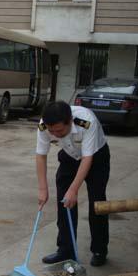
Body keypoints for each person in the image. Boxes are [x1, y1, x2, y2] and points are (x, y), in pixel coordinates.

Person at [36, 101, 110, 266]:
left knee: (97, 203)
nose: (55, 134)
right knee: (64, 203)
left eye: (60, 130)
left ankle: (99, 249)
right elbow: (41, 155)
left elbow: (87, 158)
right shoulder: (43, 125)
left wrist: (74, 189)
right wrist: (42, 189)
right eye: (52, 131)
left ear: (70, 120)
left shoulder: (86, 121)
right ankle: (65, 250)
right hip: (70, 155)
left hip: (96, 158)